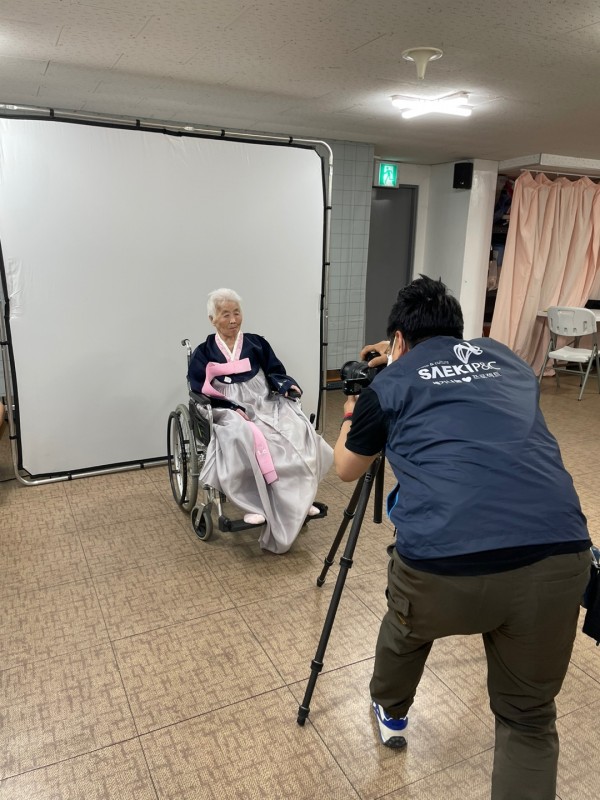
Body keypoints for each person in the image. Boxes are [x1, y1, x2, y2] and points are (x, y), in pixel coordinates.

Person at [333, 275, 592, 800]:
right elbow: (449, 366)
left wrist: (357, 404)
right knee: (528, 719)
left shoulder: (389, 386)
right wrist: (399, 352)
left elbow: (345, 469)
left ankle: (391, 710)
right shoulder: (507, 359)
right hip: (561, 554)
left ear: (399, 340)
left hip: (443, 568)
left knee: (407, 627)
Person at [188, 288, 333, 554]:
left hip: (263, 400)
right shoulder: (203, 352)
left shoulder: (256, 343)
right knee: (243, 434)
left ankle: (299, 501)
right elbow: (199, 388)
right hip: (226, 407)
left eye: (237, 313)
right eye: (225, 314)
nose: (233, 320)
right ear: (212, 319)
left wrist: (286, 386)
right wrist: (228, 405)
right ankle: (255, 505)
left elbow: (275, 371)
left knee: (294, 428)